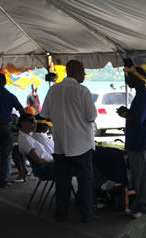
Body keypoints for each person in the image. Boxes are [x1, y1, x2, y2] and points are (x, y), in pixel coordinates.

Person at [41, 60, 97, 221]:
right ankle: (87, 214)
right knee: (85, 181)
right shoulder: (82, 91)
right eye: (83, 71)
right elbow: (91, 116)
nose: (84, 75)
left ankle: (61, 213)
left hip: (61, 144)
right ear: (75, 71)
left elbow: (45, 114)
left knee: (62, 182)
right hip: (82, 145)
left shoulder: (53, 90)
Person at [116, 65, 146, 218]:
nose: (127, 80)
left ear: (137, 79)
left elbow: (137, 120)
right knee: (142, 177)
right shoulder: (144, 94)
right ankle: (141, 205)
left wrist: (125, 114)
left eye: (129, 77)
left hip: (142, 143)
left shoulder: (142, 97)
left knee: (144, 178)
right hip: (143, 141)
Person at [16, 113, 55, 180]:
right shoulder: (26, 140)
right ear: (23, 123)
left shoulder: (27, 136)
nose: (35, 123)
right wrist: (54, 161)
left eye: (35, 121)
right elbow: (38, 160)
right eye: (32, 121)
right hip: (46, 168)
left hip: (48, 164)